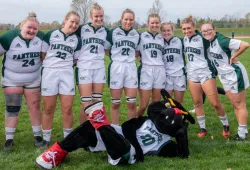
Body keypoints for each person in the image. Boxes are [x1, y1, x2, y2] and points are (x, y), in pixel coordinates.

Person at [35, 89, 192, 169]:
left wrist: (181, 136)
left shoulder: (164, 142)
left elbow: (181, 154)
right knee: (91, 127)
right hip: (120, 135)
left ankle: (100, 121)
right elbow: (127, 126)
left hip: (127, 152)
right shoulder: (147, 121)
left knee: (124, 146)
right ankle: (58, 152)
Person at [0, 12, 44, 151]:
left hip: (33, 79)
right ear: (21, 26)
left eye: (35, 29)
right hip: (12, 79)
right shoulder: (8, 38)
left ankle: (38, 137)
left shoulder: (42, 38)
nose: (31, 31)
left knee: (35, 107)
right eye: (29, 27)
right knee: (12, 108)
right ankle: (9, 139)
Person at [181, 16, 230, 138]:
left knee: (215, 103)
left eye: (189, 28)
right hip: (192, 74)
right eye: (184, 29)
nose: (186, 31)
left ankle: (226, 125)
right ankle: (203, 128)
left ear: (194, 27)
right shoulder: (184, 40)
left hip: (206, 72)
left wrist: (230, 58)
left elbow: (218, 42)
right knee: (197, 102)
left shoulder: (203, 38)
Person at [200, 21, 250, 140]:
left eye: (209, 30)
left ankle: (242, 134)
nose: (207, 32)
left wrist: (234, 56)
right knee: (234, 104)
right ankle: (244, 130)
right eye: (204, 31)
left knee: (240, 104)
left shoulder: (221, 40)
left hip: (234, 73)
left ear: (214, 29)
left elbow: (245, 44)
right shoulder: (210, 42)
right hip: (224, 76)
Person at [40, 11, 82, 146]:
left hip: (67, 73)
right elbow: (43, 55)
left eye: (77, 23)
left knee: (68, 108)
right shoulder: (51, 34)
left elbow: (75, 59)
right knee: (48, 108)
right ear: (65, 20)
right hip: (50, 73)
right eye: (72, 21)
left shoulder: (77, 40)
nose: (74, 25)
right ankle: (46, 139)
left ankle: (67, 139)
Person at [105, 9, 140, 124]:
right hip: (116, 68)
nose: (128, 22)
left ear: (133, 20)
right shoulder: (113, 32)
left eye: (131, 19)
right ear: (121, 19)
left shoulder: (136, 34)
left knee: (132, 103)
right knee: (115, 103)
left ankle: (131, 129)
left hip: (131, 68)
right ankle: (115, 129)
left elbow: (137, 52)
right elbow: (106, 49)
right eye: (126, 19)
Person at [75, 3, 108, 124]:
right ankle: (83, 131)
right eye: (96, 16)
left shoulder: (106, 31)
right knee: (86, 102)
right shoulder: (81, 29)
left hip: (99, 68)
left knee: (96, 102)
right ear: (90, 16)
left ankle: (95, 129)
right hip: (84, 68)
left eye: (101, 16)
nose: (99, 19)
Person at [136, 14, 166, 117]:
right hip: (146, 70)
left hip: (159, 70)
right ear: (148, 23)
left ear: (160, 23)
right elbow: (135, 49)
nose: (154, 25)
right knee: (143, 105)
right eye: (152, 22)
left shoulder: (162, 38)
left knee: (156, 104)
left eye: (157, 22)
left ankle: (153, 127)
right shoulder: (141, 36)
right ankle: (134, 124)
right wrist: (139, 57)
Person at [161, 22, 186, 105]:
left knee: (178, 103)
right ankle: (169, 118)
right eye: (164, 31)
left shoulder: (180, 41)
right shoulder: (159, 43)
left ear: (173, 31)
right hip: (166, 76)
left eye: (168, 30)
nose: (166, 32)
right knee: (167, 103)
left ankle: (179, 118)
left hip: (179, 75)